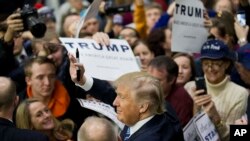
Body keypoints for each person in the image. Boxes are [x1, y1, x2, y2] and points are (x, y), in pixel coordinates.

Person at [68, 55, 184, 140]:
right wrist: (82, 80)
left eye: (121, 97)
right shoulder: (157, 104)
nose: (114, 102)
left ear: (142, 107)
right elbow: (110, 93)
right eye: (118, 95)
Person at [184, 39, 249, 141]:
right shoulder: (189, 87)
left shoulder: (240, 94)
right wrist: (195, 110)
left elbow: (235, 136)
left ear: (226, 64)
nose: (210, 69)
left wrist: (216, 118)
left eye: (215, 63)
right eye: (206, 64)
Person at [147, 56, 193, 127]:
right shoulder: (143, 91)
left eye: (157, 80)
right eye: (148, 78)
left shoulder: (181, 98)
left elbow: (180, 130)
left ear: (171, 80)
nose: (150, 84)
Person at [0, 77, 49, 141]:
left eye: (47, 110)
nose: (47, 115)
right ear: (16, 100)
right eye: (39, 114)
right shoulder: (35, 138)